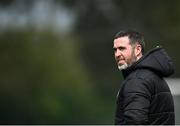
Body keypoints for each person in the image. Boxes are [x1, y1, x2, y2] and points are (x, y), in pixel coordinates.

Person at [113, 29, 175, 125]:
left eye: (122, 48)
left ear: (138, 49)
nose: (117, 54)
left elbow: (135, 122)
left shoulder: (137, 80)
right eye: (115, 49)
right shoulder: (151, 75)